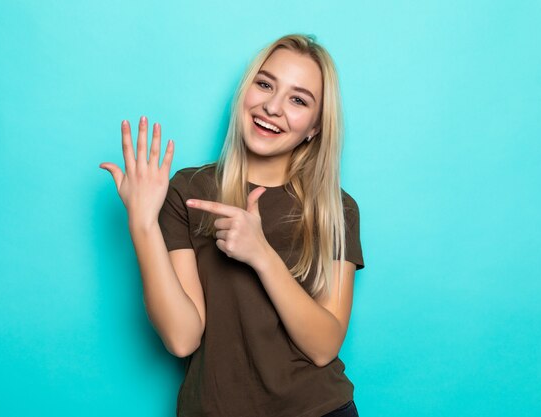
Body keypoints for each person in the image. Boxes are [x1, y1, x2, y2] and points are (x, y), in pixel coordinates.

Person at [99, 34, 365, 417]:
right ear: (246, 91)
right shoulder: (189, 191)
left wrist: (261, 255)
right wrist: (142, 224)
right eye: (264, 84)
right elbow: (181, 337)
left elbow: (324, 346)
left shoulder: (337, 210)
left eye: (298, 99)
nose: (272, 106)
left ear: (314, 128)